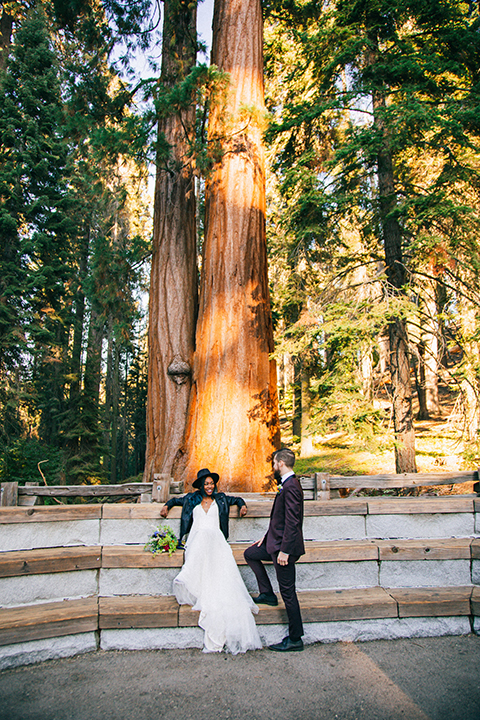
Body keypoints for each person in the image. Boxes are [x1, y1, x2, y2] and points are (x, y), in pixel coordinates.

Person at [160, 468, 262, 654]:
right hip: (197, 539)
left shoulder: (221, 499)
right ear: (200, 485)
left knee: (219, 568)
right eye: (206, 483)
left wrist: (243, 506)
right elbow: (175, 500)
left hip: (217, 539)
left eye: (211, 483)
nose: (209, 486)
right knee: (198, 548)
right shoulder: (191, 499)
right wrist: (166, 506)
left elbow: (237, 500)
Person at [244, 448, 305, 652]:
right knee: (250, 554)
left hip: (283, 549)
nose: (273, 466)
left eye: (274, 463)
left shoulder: (292, 486)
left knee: (288, 593)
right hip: (274, 542)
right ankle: (267, 594)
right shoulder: (286, 484)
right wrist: (267, 536)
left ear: (280, 463)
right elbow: (280, 518)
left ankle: (295, 638)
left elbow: (293, 522)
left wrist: (285, 551)